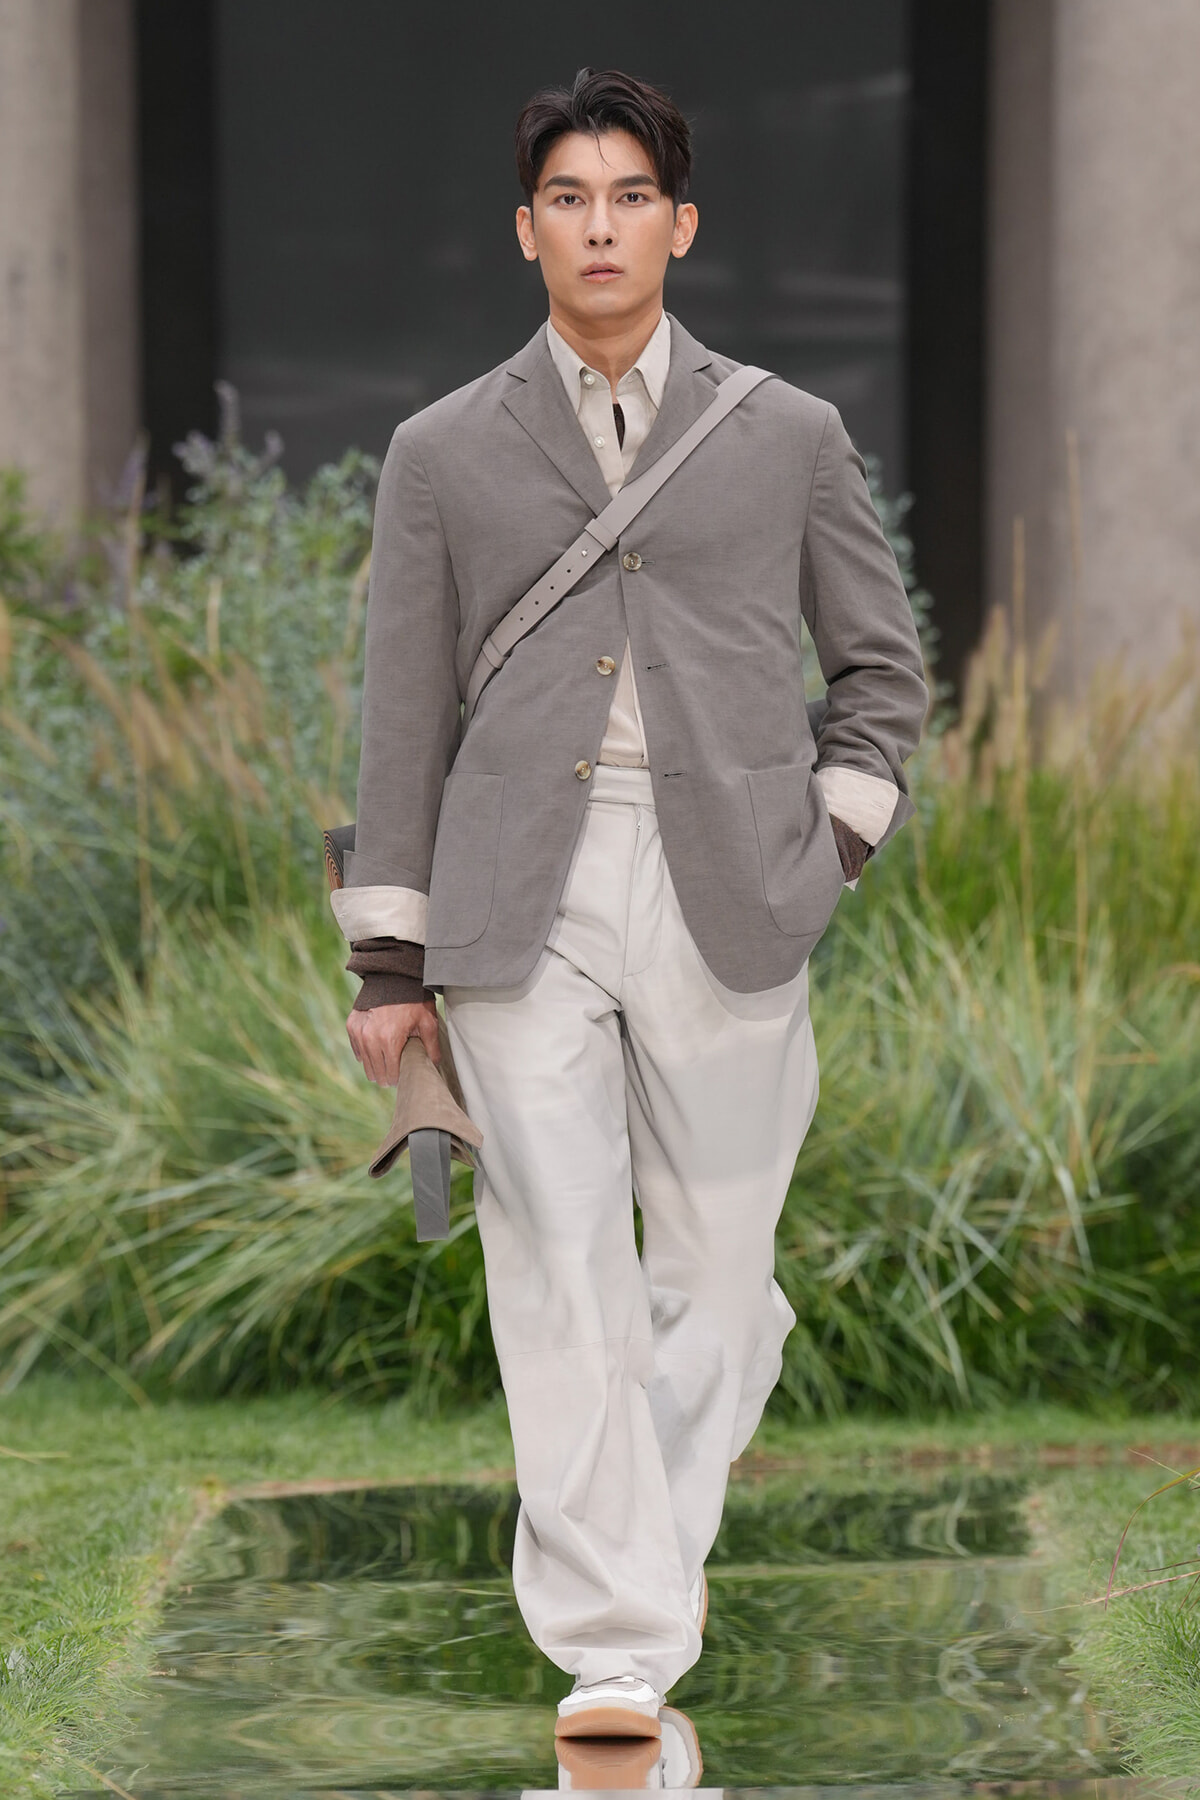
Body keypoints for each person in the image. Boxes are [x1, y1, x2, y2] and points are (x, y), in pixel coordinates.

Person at [332, 66, 928, 1741]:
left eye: (628, 198)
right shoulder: (441, 449)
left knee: (720, 1281)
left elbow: (880, 671)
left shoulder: (789, 433)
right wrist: (389, 953)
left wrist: (834, 849)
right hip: (520, 888)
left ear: (680, 223)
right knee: (560, 1262)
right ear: (526, 231)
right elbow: (401, 708)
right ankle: (617, 1640)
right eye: (568, 201)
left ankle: (655, 1520)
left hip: (737, 880)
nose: (600, 227)